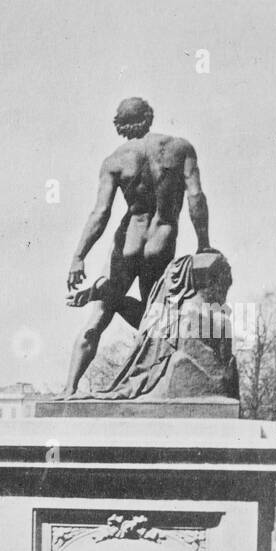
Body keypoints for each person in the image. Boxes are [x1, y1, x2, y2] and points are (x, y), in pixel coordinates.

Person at [62, 97, 211, 395]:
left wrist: (79, 256)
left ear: (121, 125)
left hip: (128, 241)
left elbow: (100, 213)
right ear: (149, 117)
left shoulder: (115, 160)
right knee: (152, 318)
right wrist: (204, 243)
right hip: (161, 240)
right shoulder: (181, 148)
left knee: (99, 318)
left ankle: (69, 387)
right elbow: (196, 197)